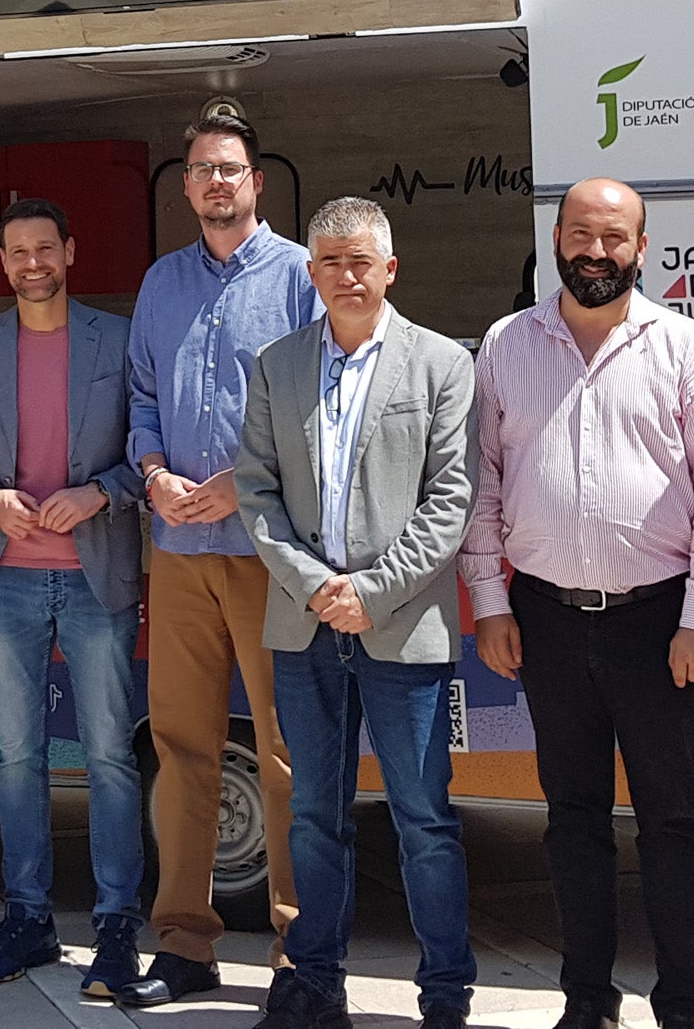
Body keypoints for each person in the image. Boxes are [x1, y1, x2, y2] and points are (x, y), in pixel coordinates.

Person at [460, 178, 694, 1029]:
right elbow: (482, 484)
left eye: (615, 237)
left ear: (644, 248)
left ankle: (684, 1006)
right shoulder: (506, 345)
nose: (596, 251)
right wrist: (488, 601)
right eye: (581, 233)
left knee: (673, 823)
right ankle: (588, 1000)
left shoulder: (687, 347)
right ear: (555, 239)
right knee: (571, 819)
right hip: (542, 616)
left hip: (657, 624)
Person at [237, 199, 477, 1029]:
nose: (346, 275)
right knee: (312, 814)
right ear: (311, 274)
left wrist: (369, 592)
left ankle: (445, 994)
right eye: (330, 262)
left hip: (402, 628)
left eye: (360, 261)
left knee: (425, 821)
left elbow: (451, 501)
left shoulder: (443, 364)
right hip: (303, 628)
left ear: (390, 270)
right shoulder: (277, 364)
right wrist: (313, 585)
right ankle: (313, 983)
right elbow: (256, 493)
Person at [125, 108, 319, 1002]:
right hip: (177, 548)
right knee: (182, 746)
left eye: (229, 169)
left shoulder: (298, 279)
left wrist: (246, 483)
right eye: (200, 169)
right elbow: (141, 398)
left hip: (267, 551)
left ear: (258, 182)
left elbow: (320, 399)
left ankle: (294, 954)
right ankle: (185, 946)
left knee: (282, 753)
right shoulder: (161, 283)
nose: (214, 182)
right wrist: (155, 469)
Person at [0, 199, 149, 996]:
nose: (32, 263)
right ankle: (26, 917)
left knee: (108, 756)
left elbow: (145, 452)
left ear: (71, 250)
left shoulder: (119, 338)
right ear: (2, 262)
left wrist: (100, 492)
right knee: (17, 756)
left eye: (44, 248)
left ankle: (116, 926)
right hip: (8, 581)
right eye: (16, 251)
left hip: (98, 577)